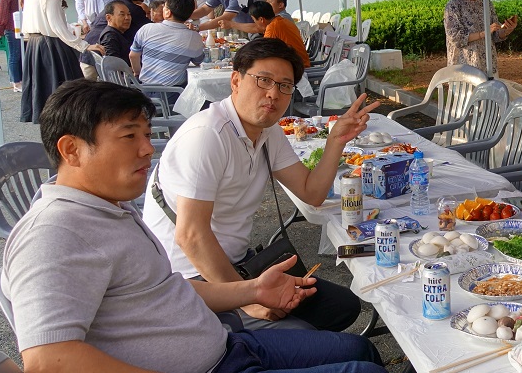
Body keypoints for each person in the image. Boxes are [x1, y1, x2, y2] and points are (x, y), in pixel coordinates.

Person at [1, 80, 422, 373]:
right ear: (72, 150)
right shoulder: (55, 233)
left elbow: (165, 290)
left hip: (226, 353)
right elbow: (48, 364)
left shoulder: (105, 209)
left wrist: (252, 290)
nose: (147, 149)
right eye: (129, 136)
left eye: (146, 134)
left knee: (359, 351)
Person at [142, 38, 379, 332]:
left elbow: (312, 193)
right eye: (263, 80)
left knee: (342, 306)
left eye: (284, 85)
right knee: (316, 340)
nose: (273, 93)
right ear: (236, 81)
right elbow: (191, 237)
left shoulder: (269, 132)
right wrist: (248, 301)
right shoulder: (207, 136)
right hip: (190, 279)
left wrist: (336, 141)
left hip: (241, 265)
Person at [19, 0, 104, 123]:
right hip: (52, 47)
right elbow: (57, 27)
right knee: (67, 96)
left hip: (35, 47)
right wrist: (84, 45)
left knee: (44, 93)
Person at [443, 0, 516, 75]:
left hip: (488, 66)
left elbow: (495, 36)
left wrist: (506, 30)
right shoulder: (454, 5)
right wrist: (483, 33)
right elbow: (455, 37)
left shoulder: (487, 4)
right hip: (464, 69)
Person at [130, 0, 205, 87]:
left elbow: (133, 55)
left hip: (145, 89)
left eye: (164, 7)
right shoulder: (194, 37)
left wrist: (137, 73)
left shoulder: (146, 29)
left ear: (168, 12)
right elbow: (198, 61)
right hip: (174, 92)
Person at [246, 1, 310, 68]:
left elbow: (265, 53)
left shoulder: (273, 27)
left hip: (297, 67)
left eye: (254, 20)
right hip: (300, 62)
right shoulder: (283, 21)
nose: (255, 23)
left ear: (261, 19)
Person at [98, 0, 133, 65]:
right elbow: (113, 65)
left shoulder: (118, 33)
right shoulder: (109, 36)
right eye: (122, 14)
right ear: (108, 17)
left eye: (128, 14)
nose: (127, 18)